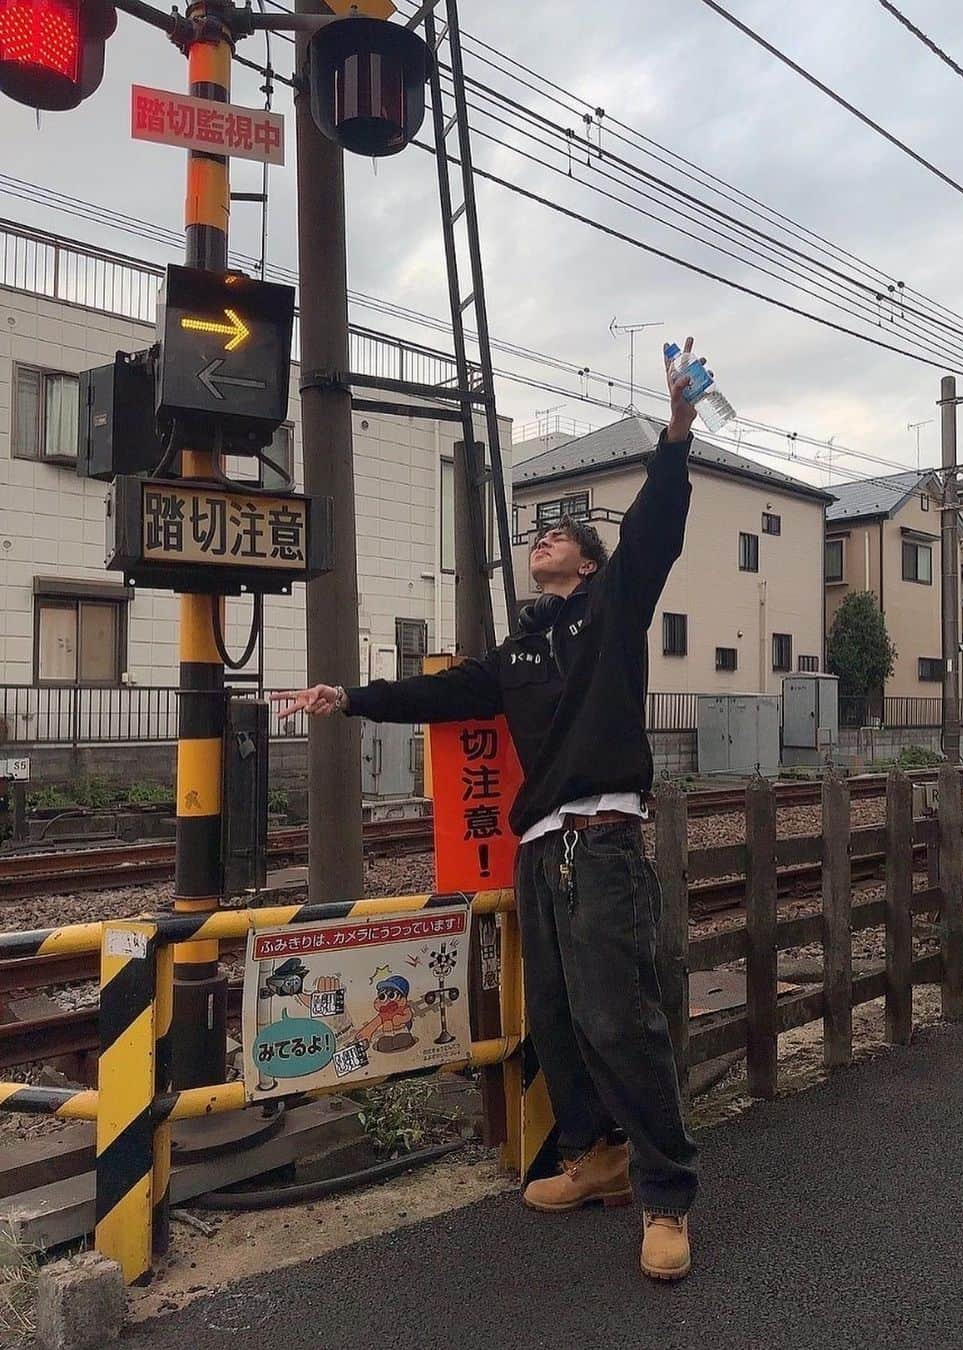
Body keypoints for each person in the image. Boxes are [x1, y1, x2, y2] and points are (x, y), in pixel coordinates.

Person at [274, 340, 703, 1281]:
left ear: (589, 566)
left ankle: (665, 1195)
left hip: (602, 840)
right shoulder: (519, 652)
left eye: (559, 537)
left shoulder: (612, 609)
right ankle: (595, 1160)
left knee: (619, 1018)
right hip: (541, 851)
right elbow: (440, 696)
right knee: (553, 1016)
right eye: (538, 535)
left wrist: (674, 432)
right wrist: (344, 698)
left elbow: (659, 531)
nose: (541, 539)